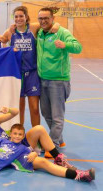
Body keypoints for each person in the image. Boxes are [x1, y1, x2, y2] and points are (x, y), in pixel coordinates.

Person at [36, 7, 82, 153]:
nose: (43, 21)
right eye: (41, 18)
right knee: (46, 114)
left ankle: (53, 146)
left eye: (46, 18)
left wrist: (65, 45)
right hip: (42, 79)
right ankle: (59, 140)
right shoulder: (40, 34)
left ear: (53, 19)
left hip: (58, 81)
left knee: (57, 117)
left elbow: (78, 47)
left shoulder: (62, 32)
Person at [0, 107, 76, 169]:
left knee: (39, 129)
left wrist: (8, 110)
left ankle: (58, 159)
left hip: (19, 143)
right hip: (11, 154)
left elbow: (16, 112)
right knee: (43, 164)